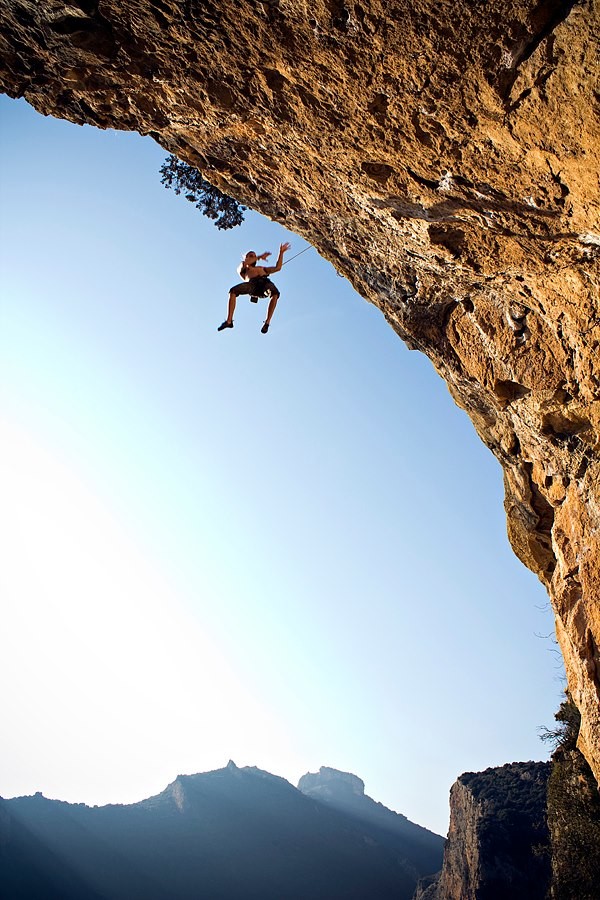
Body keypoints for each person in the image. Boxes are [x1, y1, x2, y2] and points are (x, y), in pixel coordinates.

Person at [217, 242, 291, 334]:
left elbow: (278, 268)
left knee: (275, 293)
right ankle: (229, 321)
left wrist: (281, 253)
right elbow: (245, 263)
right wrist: (259, 257)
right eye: (251, 256)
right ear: (246, 258)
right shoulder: (243, 268)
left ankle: (267, 322)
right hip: (252, 285)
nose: (253, 257)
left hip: (265, 284)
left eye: (254, 256)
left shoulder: (261, 268)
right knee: (233, 291)